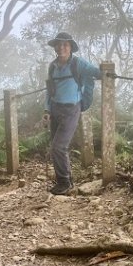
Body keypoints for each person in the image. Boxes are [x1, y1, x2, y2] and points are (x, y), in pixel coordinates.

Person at [43, 32, 101, 195]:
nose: (61, 47)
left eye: (65, 45)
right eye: (59, 44)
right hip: (55, 109)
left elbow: (96, 72)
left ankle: (65, 183)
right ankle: (65, 180)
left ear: (70, 47)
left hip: (71, 109)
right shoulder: (53, 66)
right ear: (55, 47)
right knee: (57, 147)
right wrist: (47, 109)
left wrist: (106, 72)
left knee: (58, 147)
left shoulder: (78, 63)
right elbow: (49, 90)